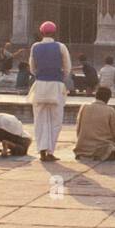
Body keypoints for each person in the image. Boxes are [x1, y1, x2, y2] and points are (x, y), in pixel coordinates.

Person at [28, 21, 71, 162]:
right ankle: (50, 151)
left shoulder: (35, 47)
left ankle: (41, 150)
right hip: (56, 86)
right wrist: (60, 79)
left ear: (41, 33)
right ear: (55, 33)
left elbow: (32, 68)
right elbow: (67, 67)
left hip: (40, 85)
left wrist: (40, 76)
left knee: (39, 120)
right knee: (55, 121)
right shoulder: (60, 47)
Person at [74, 87, 115, 161]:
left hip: (83, 147)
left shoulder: (84, 107)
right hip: (101, 146)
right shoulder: (110, 110)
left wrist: (81, 140)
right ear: (108, 98)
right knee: (113, 149)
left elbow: (78, 128)